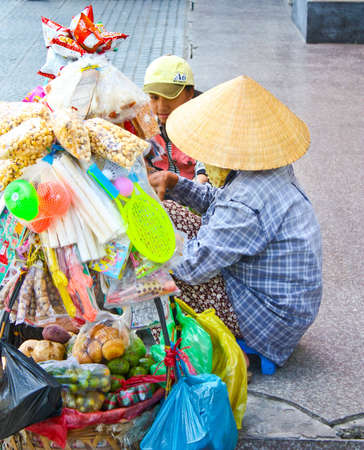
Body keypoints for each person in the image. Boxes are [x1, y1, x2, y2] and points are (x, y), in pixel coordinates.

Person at [149, 75, 323, 368]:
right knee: (167, 213)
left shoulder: (247, 201)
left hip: (269, 319)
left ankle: (180, 349)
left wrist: (149, 243)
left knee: (155, 274)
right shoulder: (261, 170)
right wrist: (176, 183)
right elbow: (218, 202)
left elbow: (191, 267)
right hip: (284, 300)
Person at [143, 55, 208, 183]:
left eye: (169, 97)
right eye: (154, 97)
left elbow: (205, 174)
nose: (161, 107)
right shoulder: (145, 121)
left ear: (189, 93)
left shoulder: (208, 122)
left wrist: (197, 183)